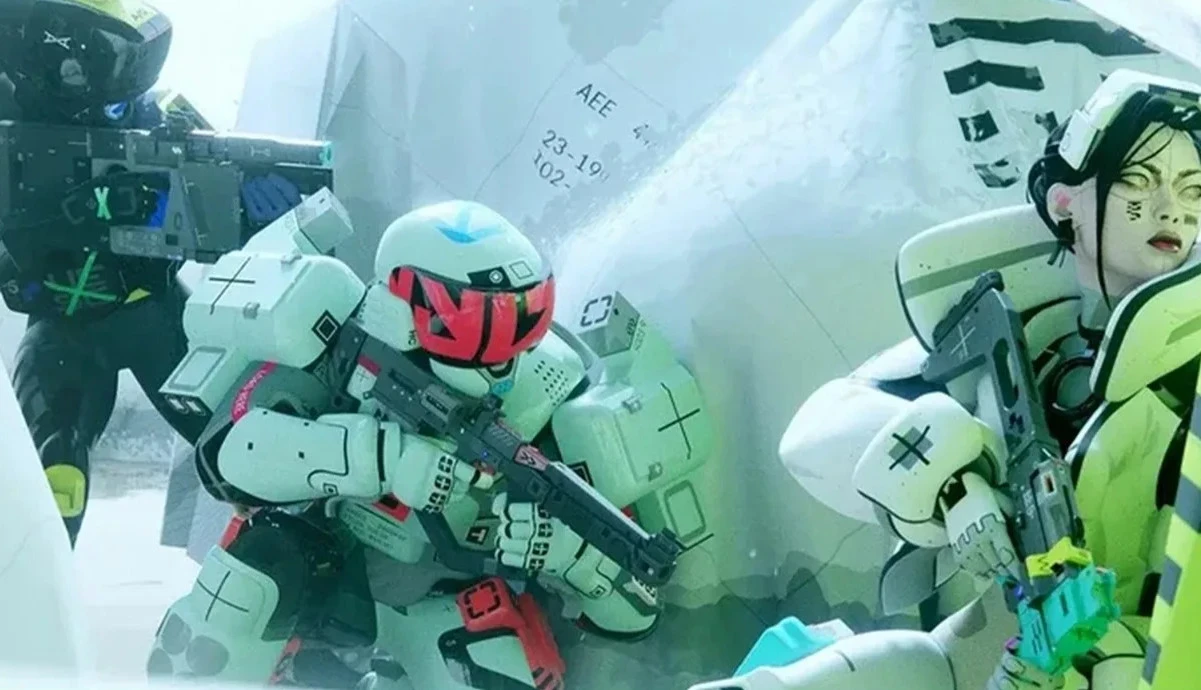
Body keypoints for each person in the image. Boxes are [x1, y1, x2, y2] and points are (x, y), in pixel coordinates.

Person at [693, 68, 1201, 690]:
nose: (1171, 209)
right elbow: (818, 432)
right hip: (993, 642)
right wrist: (956, 487)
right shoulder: (1028, 331)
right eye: (1139, 181)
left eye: (1192, 189)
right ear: (1067, 202)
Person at [145, 197, 713, 688]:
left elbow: (636, 615)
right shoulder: (339, 336)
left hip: (440, 601)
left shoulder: (549, 393)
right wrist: (379, 457)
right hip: (322, 574)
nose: (506, 352)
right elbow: (227, 456)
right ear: (406, 310)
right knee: (246, 585)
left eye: (526, 318)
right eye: (480, 324)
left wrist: (569, 555)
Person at [0, 0, 302, 545]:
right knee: (53, 473)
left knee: (252, 457)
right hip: (69, 324)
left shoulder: (160, 116)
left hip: (151, 313)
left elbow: (218, 184)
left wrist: (255, 208)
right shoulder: (13, 129)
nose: (122, 97)